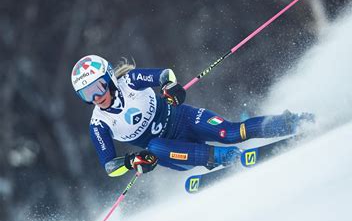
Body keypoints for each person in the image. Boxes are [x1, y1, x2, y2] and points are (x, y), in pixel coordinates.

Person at [71, 55, 314, 177]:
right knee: (154, 145)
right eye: (86, 94)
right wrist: (132, 161)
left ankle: (292, 122)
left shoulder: (130, 82)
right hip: (172, 151)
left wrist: (170, 89)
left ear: (110, 78)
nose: (96, 97)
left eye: (98, 87)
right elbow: (111, 167)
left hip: (183, 118)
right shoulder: (98, 123)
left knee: (230, 132)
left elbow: (164, 75)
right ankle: (222, 157)